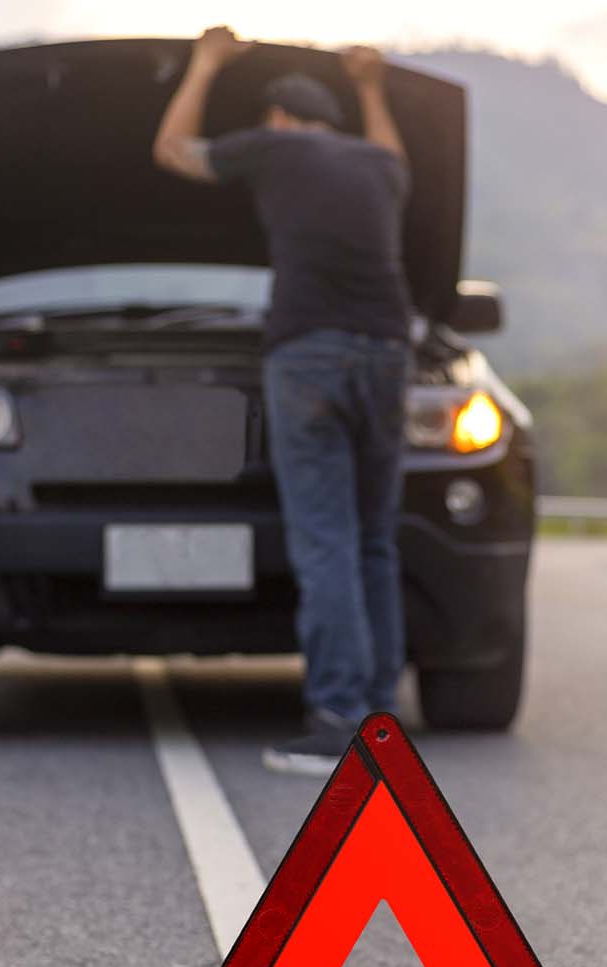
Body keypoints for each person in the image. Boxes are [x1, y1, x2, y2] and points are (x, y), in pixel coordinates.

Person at [152, 27, 413, 776]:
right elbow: (395, 154)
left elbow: (173, 150)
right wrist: (372, 85)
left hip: (312, 354)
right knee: (373, 541)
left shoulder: (275, 151)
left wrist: (203, 63)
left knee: (327, 539)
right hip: (389, 352)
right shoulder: (379, 166)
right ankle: (379, 720)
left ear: (278, 122)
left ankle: (336, 721)